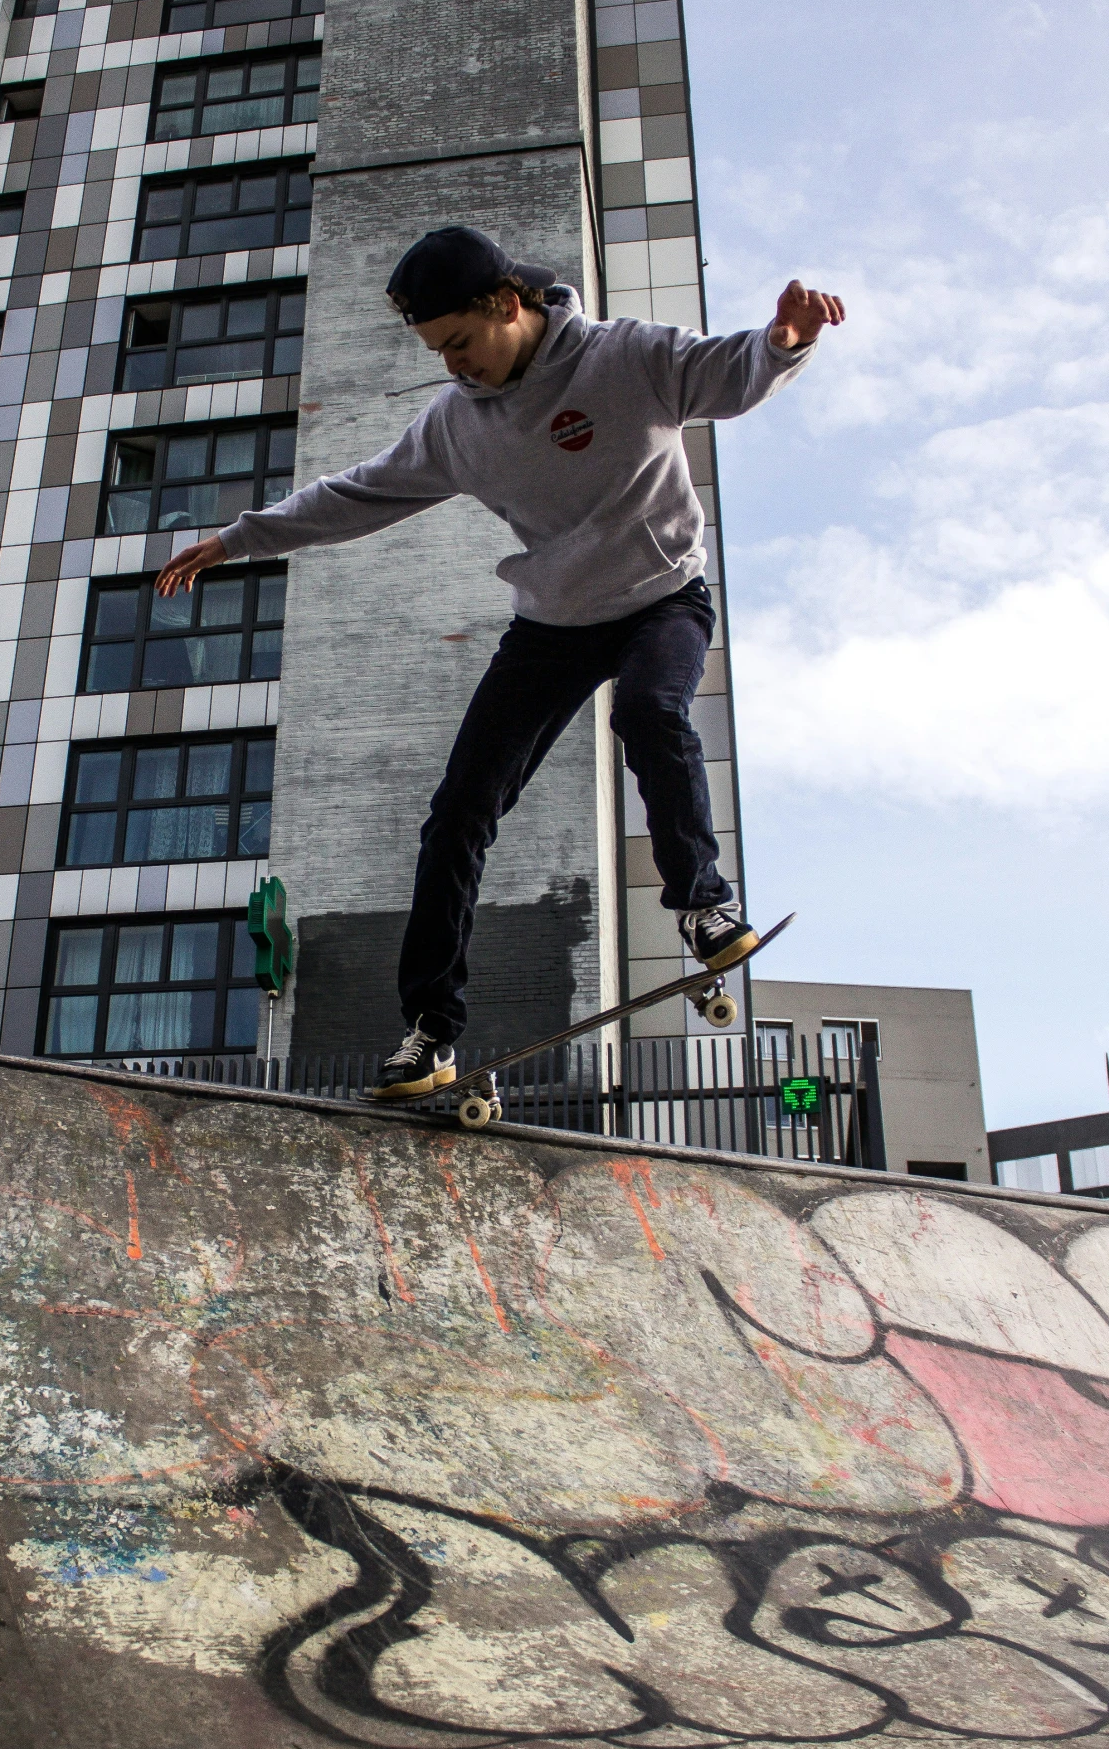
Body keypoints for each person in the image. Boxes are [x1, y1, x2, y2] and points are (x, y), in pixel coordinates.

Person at [156, 225, 844, 1100]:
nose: (453, 366)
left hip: (661, 600)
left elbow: (726, 372)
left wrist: (783, 339)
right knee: (457, 815)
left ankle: (703, 903)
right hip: (552, 626)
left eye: (460, 344)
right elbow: (356, 494)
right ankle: (429, 1031)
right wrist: (235, 541)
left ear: (508, 306)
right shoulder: (455, 428)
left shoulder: (623, 357)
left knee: (647, 711)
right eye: (437, 351)